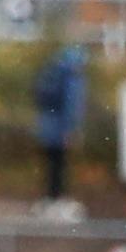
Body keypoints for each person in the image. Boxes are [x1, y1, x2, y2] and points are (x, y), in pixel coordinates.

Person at [32, 45, 90, 207]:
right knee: (59, 166)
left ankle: (50, 199)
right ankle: (56, 201)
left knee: (52, 166)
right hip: (61, 129)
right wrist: (72, 129)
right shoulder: (72, 77)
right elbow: (72, 106)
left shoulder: (53, 72)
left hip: (46, 127)